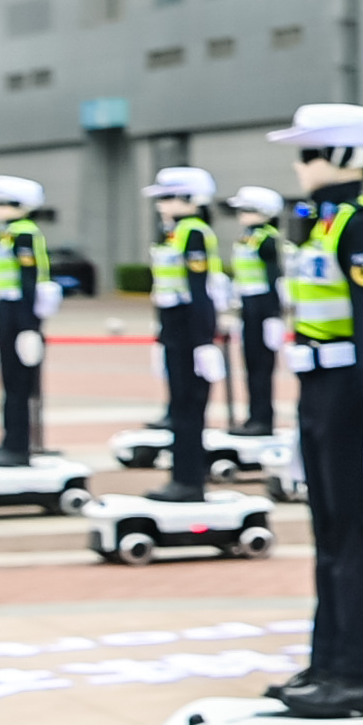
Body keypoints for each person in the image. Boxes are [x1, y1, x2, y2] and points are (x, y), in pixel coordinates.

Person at [264, 105, 363, 722]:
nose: (300, 166)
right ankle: (326, 661)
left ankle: (357, 675)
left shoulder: (362, 224)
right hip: (321, 388)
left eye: (311, 153)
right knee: (326, 531)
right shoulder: (321, 223)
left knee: (353, 535)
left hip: (355, 392)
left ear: (348, 157)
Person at [144, 166, 228, 499]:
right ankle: (181, 476)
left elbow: (199, 291)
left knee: (189, 408)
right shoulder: (174, 233)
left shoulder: (193, 233)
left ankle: (189, 481)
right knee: (179, 408)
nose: (161, 205)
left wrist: (204, 341)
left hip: (189, 332)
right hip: (175, 330)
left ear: (192, 199)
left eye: (169, 198)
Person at [0, 175, 58, 467]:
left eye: (1, 203)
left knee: (17, 383)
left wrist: (28, 327)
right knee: (9, 381)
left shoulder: (24, 234)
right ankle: (10, 442)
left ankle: (17, 446)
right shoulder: (8, 233)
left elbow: (28, 281)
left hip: (19, 312)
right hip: (6, 308)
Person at [220, 183, 283, 448]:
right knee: (250, 365)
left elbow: (274, 277)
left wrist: (274, 315)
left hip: (263, 306)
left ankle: (263, 419)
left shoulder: (267, 239)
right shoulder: (248, 238)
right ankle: (253, 416)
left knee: (261, 367)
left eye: (247, 210)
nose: (241, 215)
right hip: (248, 306)